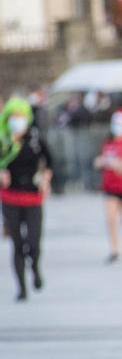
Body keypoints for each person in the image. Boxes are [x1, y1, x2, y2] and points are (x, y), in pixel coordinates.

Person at [0, 97, 53, 301]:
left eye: (21, 116)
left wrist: (46, 178)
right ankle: (21, 287)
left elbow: (49, 162)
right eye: (14, 116)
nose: (17, 120)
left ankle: (36, 268)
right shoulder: (3, 140)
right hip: (10, 197)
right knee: (17, 244)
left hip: (33, 197)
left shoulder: (35, 140)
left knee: (34, 243)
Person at [94, 109, 122, 263]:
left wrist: (118, 163)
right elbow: (99, 160)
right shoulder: (108, 142)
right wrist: (103, 161)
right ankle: (114, 249)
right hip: (109, 185)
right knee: (110, 218)